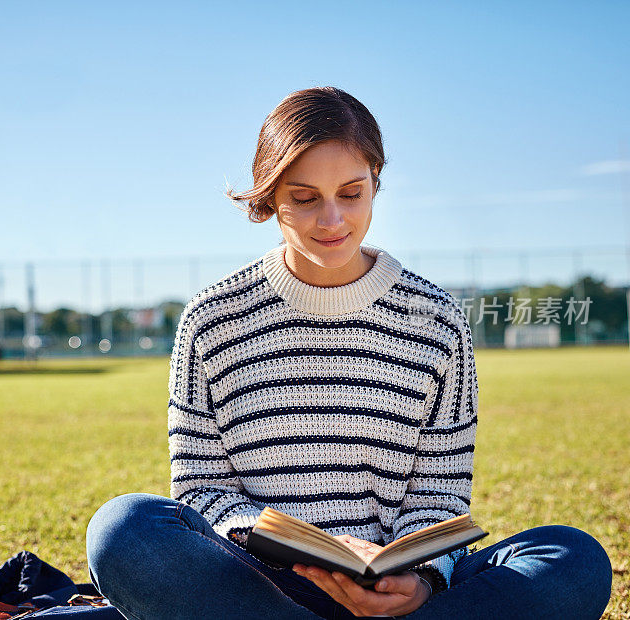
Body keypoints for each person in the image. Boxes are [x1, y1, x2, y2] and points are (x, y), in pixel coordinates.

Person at [86, 86, 613, 619]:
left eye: (352, 193)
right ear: (270, 200)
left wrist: (421, 580)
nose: (333, 219)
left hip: (401, 596)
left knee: (572, 557)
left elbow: (440, 498)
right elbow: (201, 492)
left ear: (376, 182)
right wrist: (294, 546)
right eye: (306, 197)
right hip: (262, 588)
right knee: (124, 528)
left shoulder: (437, 320)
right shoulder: (212, 319)